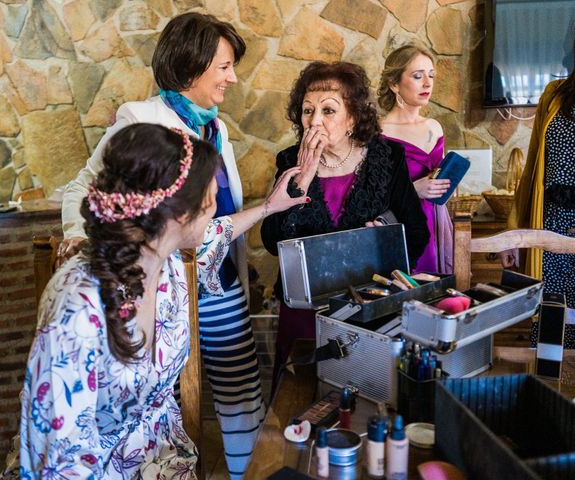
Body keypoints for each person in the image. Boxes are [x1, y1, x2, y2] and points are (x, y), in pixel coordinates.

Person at [0, 124, 306, 479]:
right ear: (177, 214)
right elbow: (58, 460)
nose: (214, 204)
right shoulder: (77, 308)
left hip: (165, 461)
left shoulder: (169, 261)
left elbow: (217, 232)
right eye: (209, 196)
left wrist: (270, 206)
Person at [59, 13, 267, 477]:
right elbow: (83, 190)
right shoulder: (141, 119)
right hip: (166, 283)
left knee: (240, 388)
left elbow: (222, 207)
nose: (233, 77)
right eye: (224, 66)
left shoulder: (218, 128)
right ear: (190, 66)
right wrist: (79, 241)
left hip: (221, 281)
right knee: (164, 393)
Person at [260, 61, 429, 381]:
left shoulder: (388, 157)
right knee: (299, 399)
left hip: (370, 307)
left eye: (328, 110)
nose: (315, 121)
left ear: (352, 117)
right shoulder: (288, 160)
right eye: (307, 110)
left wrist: (385, 235)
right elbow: (271, 242)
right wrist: (302, 180)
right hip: (304, 311)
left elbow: (417, 231)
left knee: (369, 394)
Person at [503, 2, 575, 348]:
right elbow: (533, 167)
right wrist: (513, 230)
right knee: (552, 333)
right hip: (549, 225)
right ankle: (551, 397)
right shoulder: (555, 94)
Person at [377, 44, 453, 274]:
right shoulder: (379, 133)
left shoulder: (434, 127)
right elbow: (370, 197)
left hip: (436, 219)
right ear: (394, 84)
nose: (428, 83)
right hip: (402, 224)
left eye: (431, 75)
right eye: (418, 76)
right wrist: (413, 190)